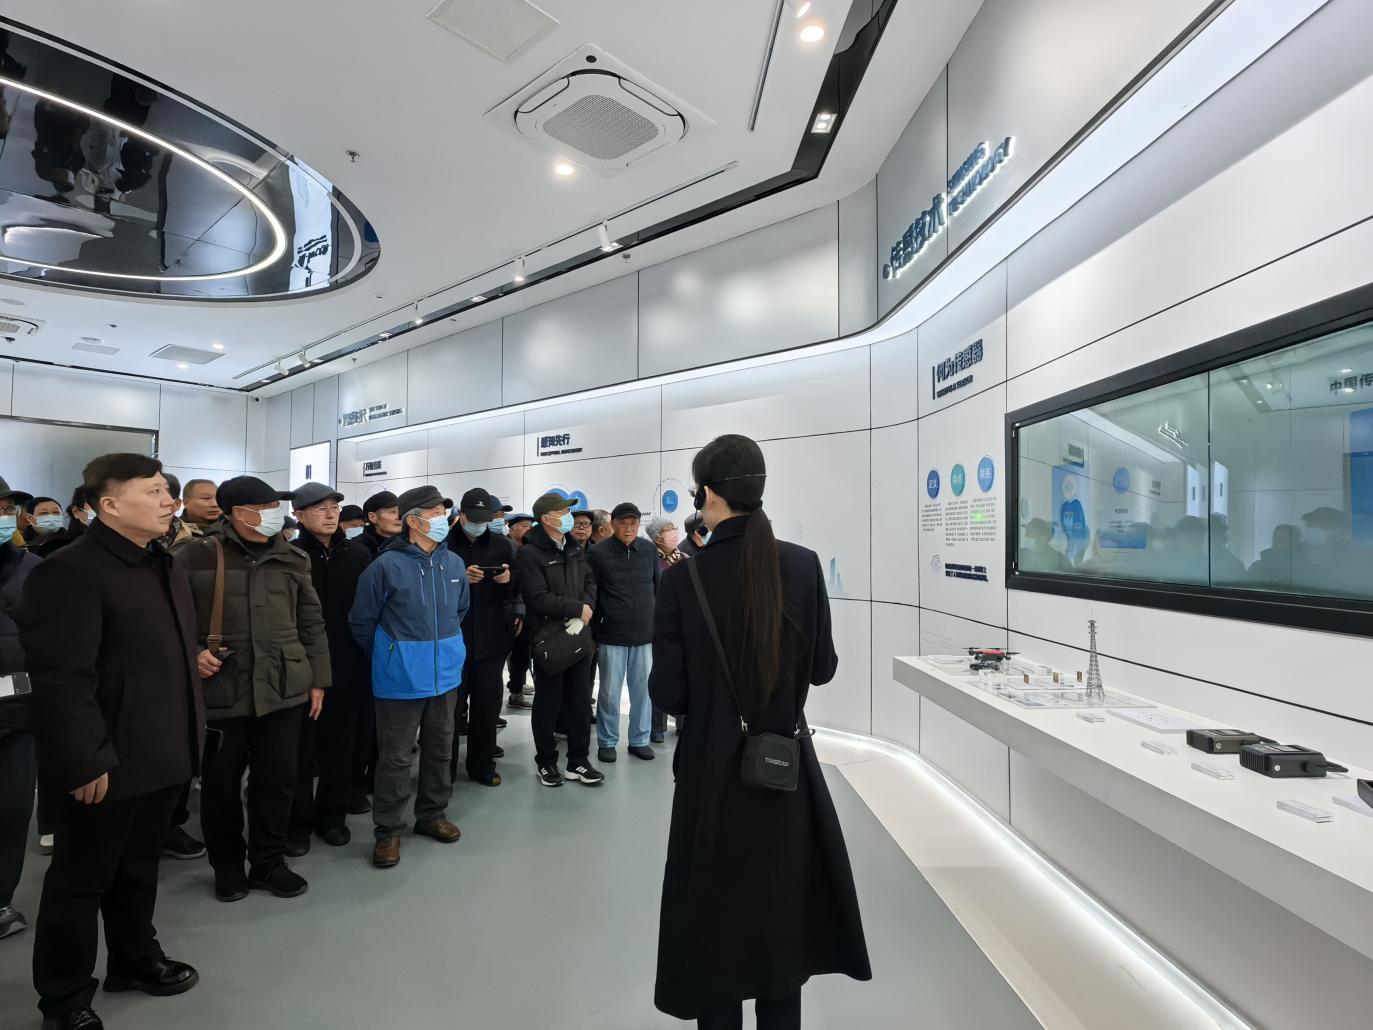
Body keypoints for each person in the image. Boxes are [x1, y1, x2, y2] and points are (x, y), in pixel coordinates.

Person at [649, 435, 871, 1028]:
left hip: (709, 775)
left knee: (714, 927)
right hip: (783, 770)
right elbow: (822, 668)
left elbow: (669, 694)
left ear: (708, 495)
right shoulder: (801, 564)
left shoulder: (684, 580)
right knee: (780, 920)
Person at [16, 454, 206, 1030]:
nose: (169, 501)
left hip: (162, 748)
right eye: (155, 492)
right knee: (80, 881)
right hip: (104, 758)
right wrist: (85, 759)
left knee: (139, 867)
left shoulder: (163, 564)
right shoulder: (70, 571)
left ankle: (134, 958)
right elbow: (61, 678)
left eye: (168, 490)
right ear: (110, 504)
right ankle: (65, 998)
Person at [173, 476, 330, 903]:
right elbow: (167, 621)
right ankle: (227, 867)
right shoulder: (193, 555)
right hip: (223, 691)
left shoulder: (293, 557)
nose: (276, 514)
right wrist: (192, 653)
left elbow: (311, 623)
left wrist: (318, 679)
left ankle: (268, 863)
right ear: (239, 513)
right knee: (221, 787)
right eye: (267, 507)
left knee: (277, 782)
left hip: (284, 688)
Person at [349, 485, 469, 869]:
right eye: (435, 513)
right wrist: (390, 655)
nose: (443, 519)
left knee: (441, 749)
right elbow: (362, 621)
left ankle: (432, 814)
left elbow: (460, 611)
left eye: (443, 512)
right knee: (396, 758)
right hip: (399, 679)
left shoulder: (454, 564)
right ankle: (388, 830)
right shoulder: (384, 566)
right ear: (413, 521)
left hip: (445, 675)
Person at [287, 483, 372, 851]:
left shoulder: (359, 555)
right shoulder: (289, 555)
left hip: (349, 664)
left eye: (334, 507)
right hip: (301, 667)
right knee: (300, 751)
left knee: (341, 746)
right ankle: (297, 824)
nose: (330, 514)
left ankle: (332, 816)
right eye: (319, 508)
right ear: (298, 514)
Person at [516, 493, 603, 788]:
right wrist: (576, 608)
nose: (568, 517)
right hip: (549, 639)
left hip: (580, 635)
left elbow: (590, 581)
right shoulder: (530, 554)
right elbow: (537, 597)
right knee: (548, 702)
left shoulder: (575, 547)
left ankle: (578, 761)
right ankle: (546, 762)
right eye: (562, 512)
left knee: (580, 702)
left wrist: (586, 610)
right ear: (546, 518)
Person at [447, 488, 518, 787]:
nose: (478, 524)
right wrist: (459, 578)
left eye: (484, 519)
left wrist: (509, 580)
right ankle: (444, 770)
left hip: (492, 636)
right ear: (461, 515)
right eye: (473, 519)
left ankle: (482, 763)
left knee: (487, 706)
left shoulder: (503, 545)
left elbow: (520, 589)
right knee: (449, 710)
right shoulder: (443, 544)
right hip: (453, 638)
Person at [587, 502, 658, 764]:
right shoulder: (597, 553)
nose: (628, 528)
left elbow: (658, 587)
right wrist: (592, 634)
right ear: (612, 524)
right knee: (609, 692)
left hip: (645, 635)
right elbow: (592, 596)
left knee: (643, 691)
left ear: (639, 524)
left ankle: (640, 739)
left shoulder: (649, 550)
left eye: (633, 523)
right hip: (611, 634)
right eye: (623, 523)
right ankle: (607, 741)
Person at [0, 477, 39, 943]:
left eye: (6, 506)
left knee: (11, 811)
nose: (3, 515)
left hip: (18, 716)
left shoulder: (33, 569)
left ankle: (1, 900)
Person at [505, 512, 536, 711]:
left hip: (529, 609)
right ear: (511, 528)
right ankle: (515, 692)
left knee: (524, 652)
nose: (528, 529)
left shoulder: (529, 548)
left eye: (530, 526)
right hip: (513, 610)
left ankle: (519, 684)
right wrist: (517, 610)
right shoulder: (506, 548)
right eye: (524, 525)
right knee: (517, 652)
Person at [359, 490, 401, 558]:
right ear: (372, 517)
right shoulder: (356, 548)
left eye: (400, 512)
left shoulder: (411, 543)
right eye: (392, 512)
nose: (399, 517)